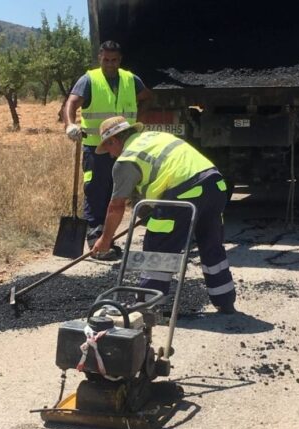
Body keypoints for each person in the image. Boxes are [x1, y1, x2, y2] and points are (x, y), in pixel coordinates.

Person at [90, 116, 237, 314]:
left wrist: (105, 239)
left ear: (113, 140)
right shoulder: (156, 137)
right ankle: (225, 300)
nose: (110, 154)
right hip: (216, 186)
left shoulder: (126, 160)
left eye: (108, 148)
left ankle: (147, 306)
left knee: (158, 246)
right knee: (211, 245)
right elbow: (164, 177)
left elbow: (116, 207)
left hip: (186, 194)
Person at [64, 41, 152, 260]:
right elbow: (71, 103)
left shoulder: (131, 80)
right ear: (99, 58)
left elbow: (147, 98)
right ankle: (96, 241)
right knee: (96, 191)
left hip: (125, 147)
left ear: (120, 60)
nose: (110, 64)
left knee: (120, 192)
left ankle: (109, 239)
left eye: (114, 60)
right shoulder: (89, 80)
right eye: (106, 60)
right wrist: (69, 124)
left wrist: (138, 120)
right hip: (96, 148)